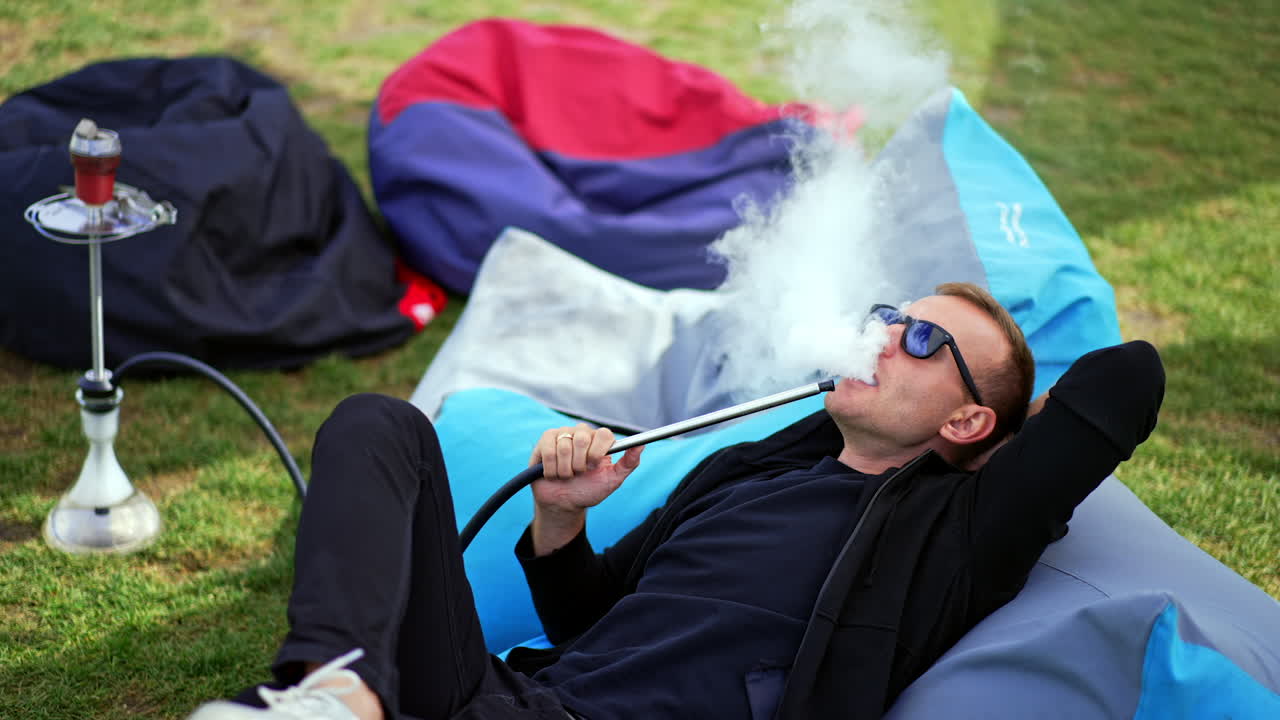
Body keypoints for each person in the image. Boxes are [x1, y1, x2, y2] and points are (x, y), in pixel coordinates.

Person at [187, 282, 1165, 720]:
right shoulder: (752, 469)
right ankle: (334, 693)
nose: (879, 339)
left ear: (963, 424)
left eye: (917, 343)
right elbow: (587, 618)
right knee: (377, 424)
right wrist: (562, 515)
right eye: (886, 318)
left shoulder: (949, 535)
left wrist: (1007, 411)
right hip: (507, 696)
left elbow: (1127, 380)